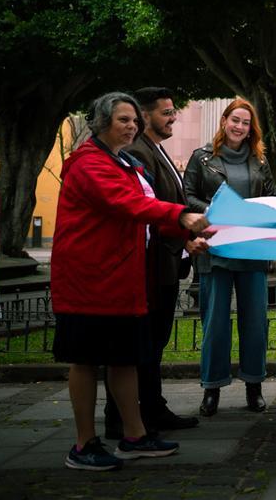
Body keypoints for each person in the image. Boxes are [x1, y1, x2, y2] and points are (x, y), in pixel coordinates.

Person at [52, 92, 209, 471]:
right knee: (87, 361)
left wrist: (184, 236)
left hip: (122, 278)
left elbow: (144, 209)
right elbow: (129, 204)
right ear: (101, 122)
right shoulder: (90, 163)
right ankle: (83, 443)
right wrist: (183, 215)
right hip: (89, 281)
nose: (132, 126)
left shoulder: (123, 162)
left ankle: (135, 435)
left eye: (135, 120)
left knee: (126, 359)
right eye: (124, 120)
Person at [103, 88, 199, 438]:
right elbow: (148, 209)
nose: (172, 117)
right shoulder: (136, 152)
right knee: (141, 344)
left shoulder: (155, 149)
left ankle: (152, 407)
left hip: (168, 261)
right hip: (150, 265)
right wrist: (184, 229)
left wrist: (187, 239)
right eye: (165, 112)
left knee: (153, 342)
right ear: (146, 116)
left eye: (173, 111)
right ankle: (126, 416)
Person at [183, 98, 275, 417]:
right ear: (224, 121)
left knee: (255, 323)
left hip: (251, 249)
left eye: (245, 123)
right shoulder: (202, 157)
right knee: (215, 324)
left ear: (252, 129)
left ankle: (254, 386)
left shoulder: (260, 160)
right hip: (214, 249)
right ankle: (212, 388)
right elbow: (188, 196)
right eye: (235, 120)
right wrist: (209, 211)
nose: (239, 126)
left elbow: (271, 198)